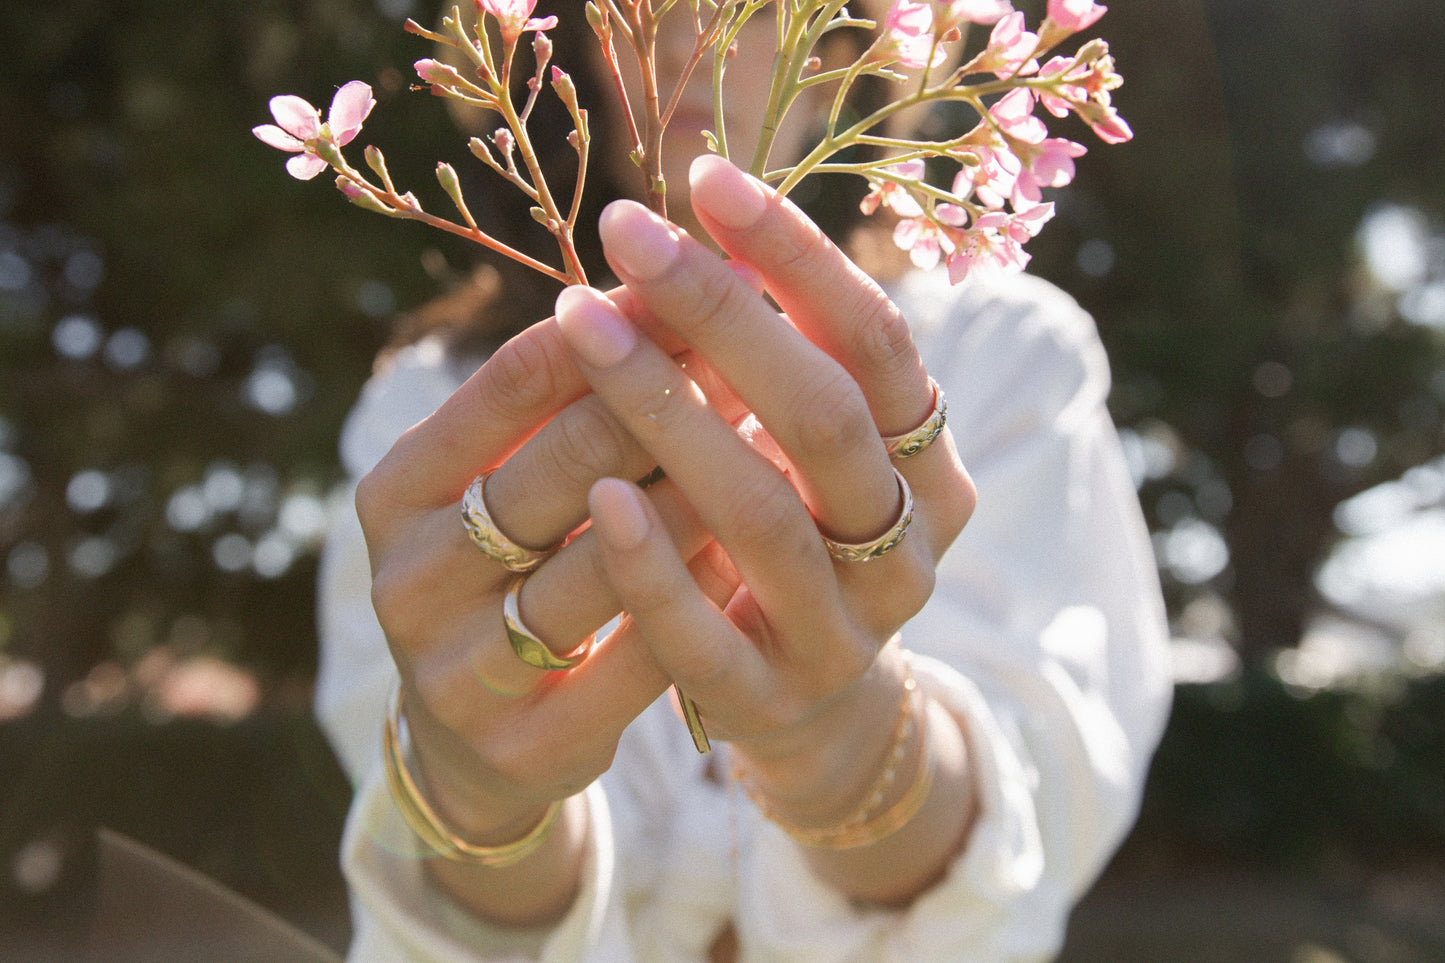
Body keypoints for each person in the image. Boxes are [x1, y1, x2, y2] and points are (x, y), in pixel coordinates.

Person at [313, 4, 1173, 960]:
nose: (689, 42)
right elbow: (420, 844)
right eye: (636, 7)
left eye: (756, 10)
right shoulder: (433, 410)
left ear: (852, 41)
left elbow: (1049, 813)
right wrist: (476, 792)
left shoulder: (999, 354)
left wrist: (840, 747)